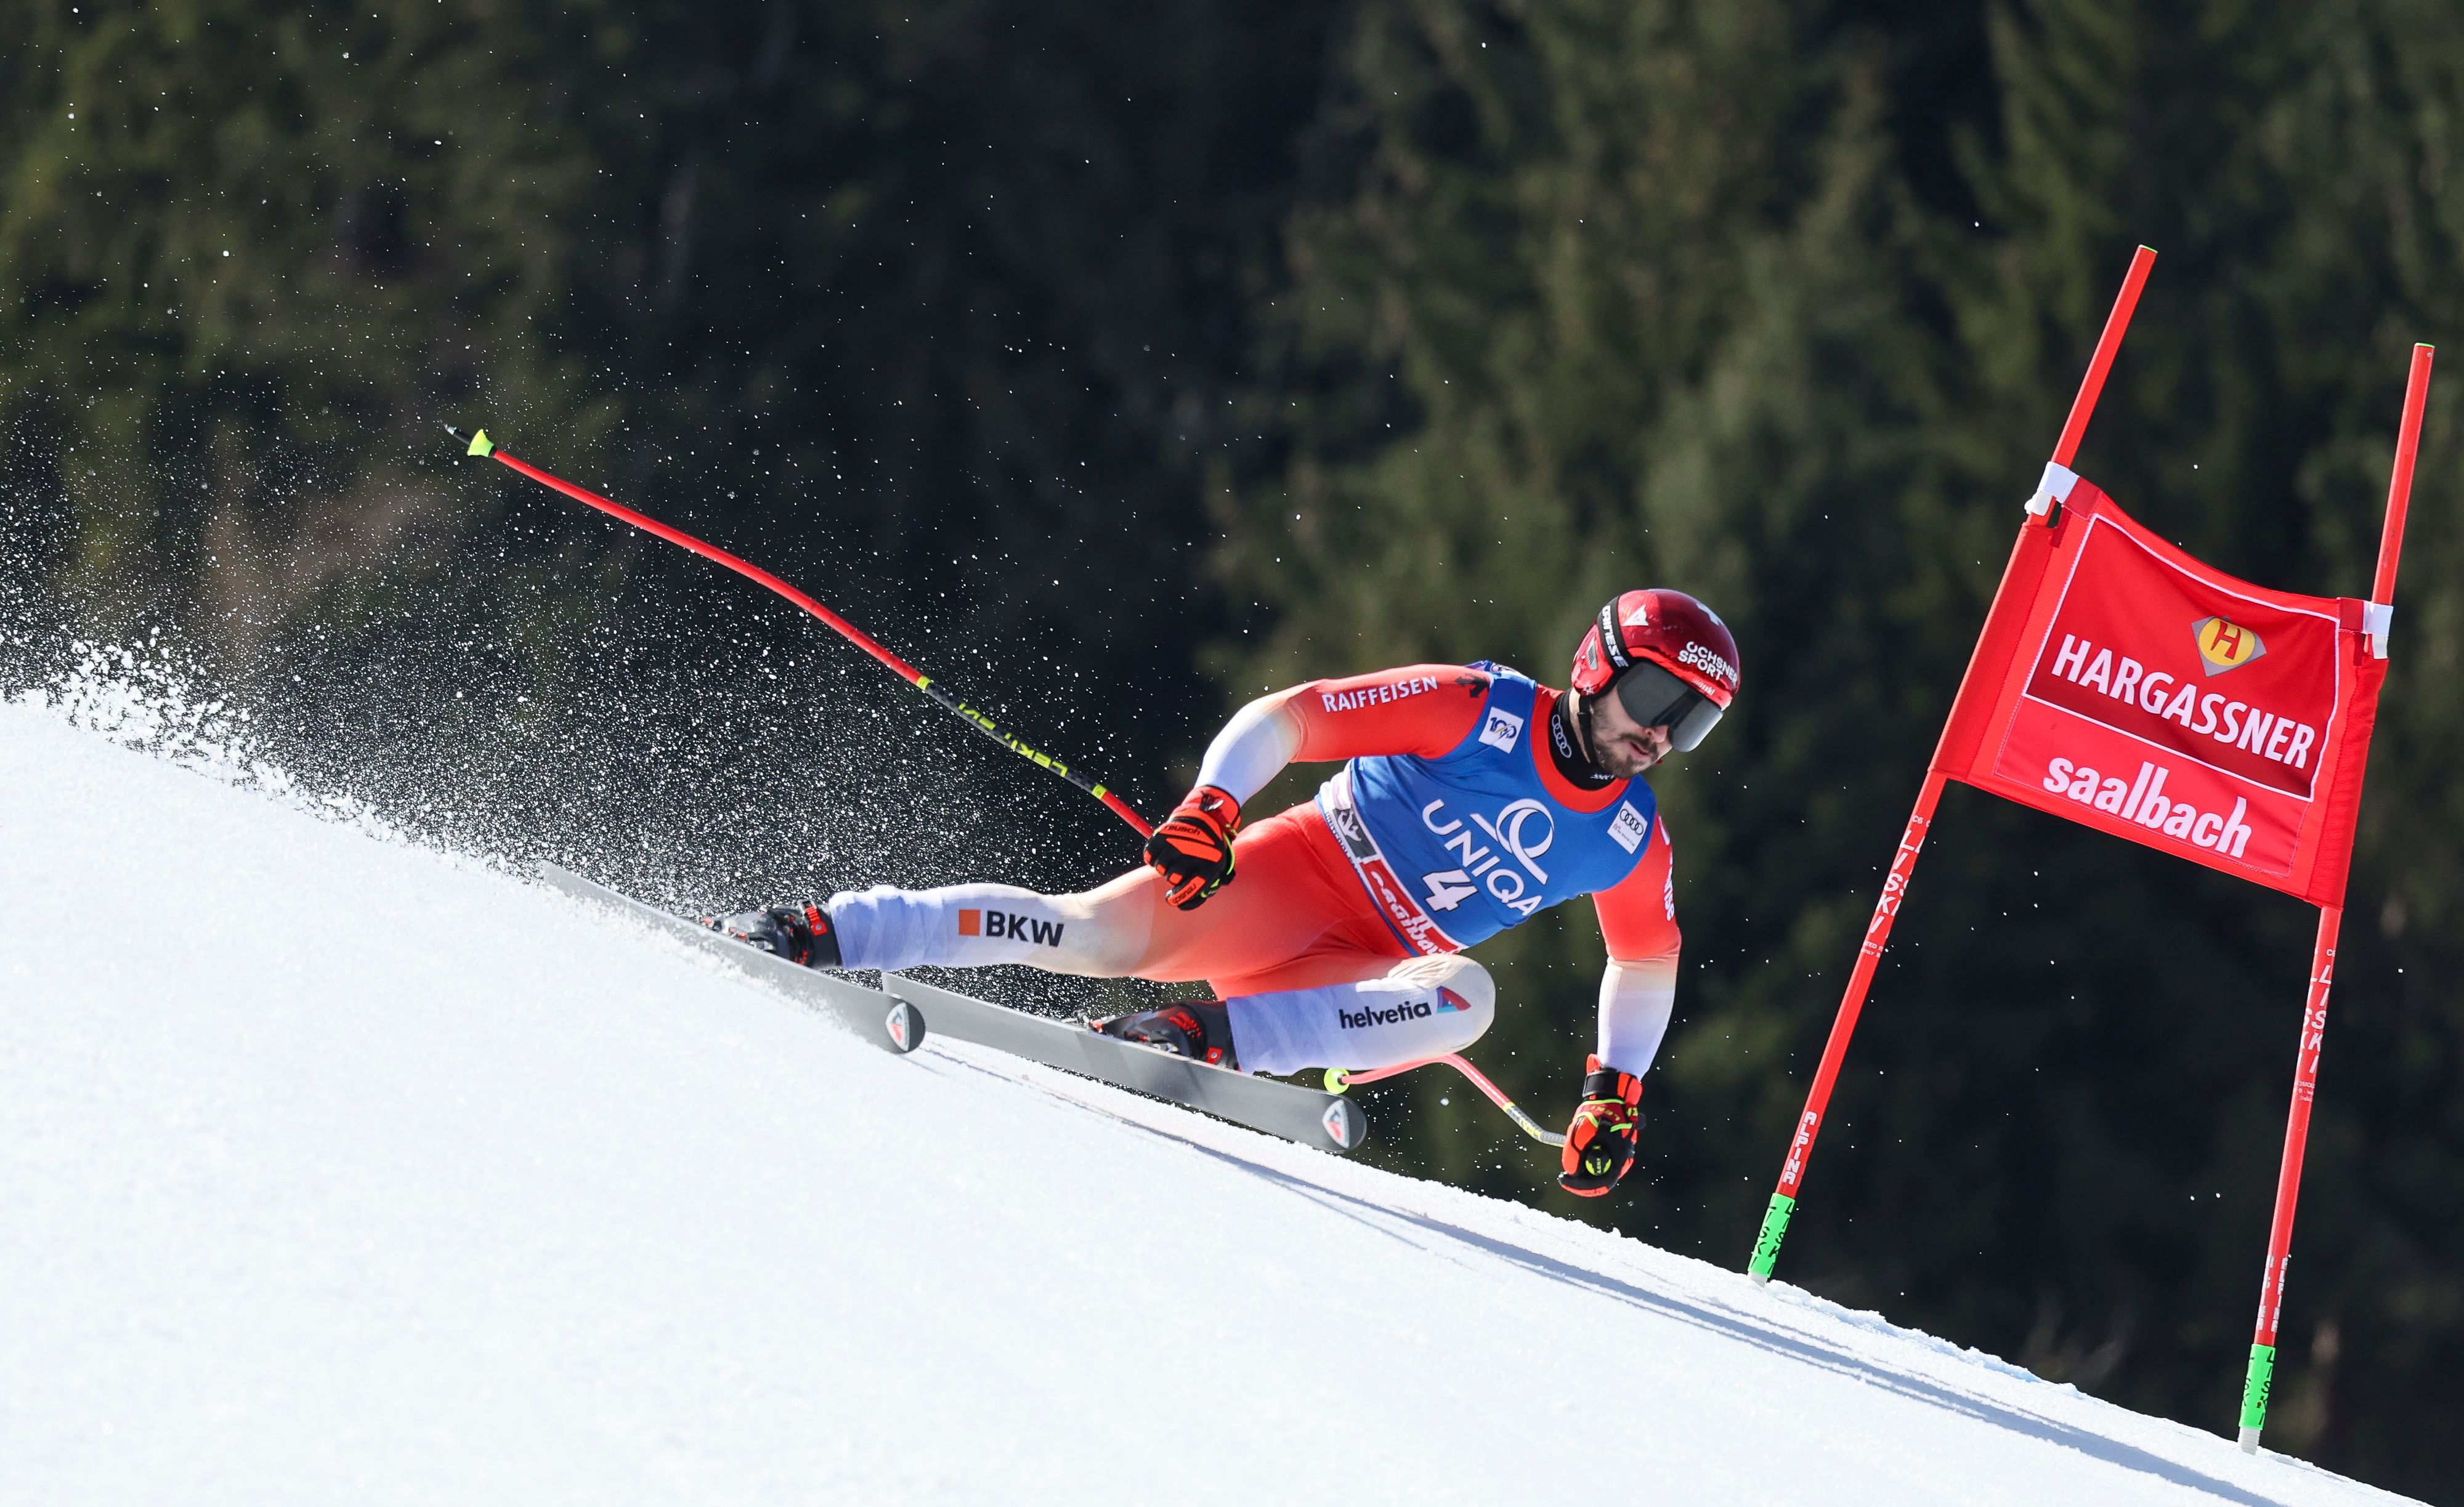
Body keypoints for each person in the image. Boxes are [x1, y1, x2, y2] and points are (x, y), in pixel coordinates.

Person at [716, 589, 1740, 1197]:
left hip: (1365, 966)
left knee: (1466, 1000)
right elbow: (1292, 718)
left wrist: (1616, 1087)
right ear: (1598, 665)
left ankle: (1199, 1037)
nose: (1658, 735)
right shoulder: (1481, 709)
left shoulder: (1627, 836)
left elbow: (1646, 956)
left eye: (1689, 724)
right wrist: (1212, 805)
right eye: (1656, 699)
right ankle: (821, 929)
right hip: (1293, 876)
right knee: (1080, 933)